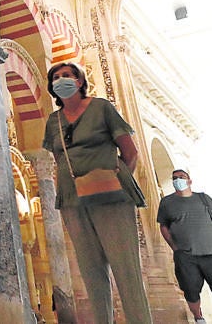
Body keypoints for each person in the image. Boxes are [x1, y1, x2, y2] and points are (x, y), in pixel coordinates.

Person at [40, 62, 152, 324]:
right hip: (72, 199)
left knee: (126, 268)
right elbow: (58, 158)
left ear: (79, 81)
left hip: (110, 196)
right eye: (56, 77)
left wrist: (112, 179)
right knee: (90, 270)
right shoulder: (53, 121)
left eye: (67, 75)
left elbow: (130, 152)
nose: (60, 80)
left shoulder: (101, 107)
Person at [157, 169, 212, 324]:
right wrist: (175, 248)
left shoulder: (204, 199)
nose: (177, 180)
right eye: (174, 178)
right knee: (190, 291)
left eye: (181, 177)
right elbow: (164, 226)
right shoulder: (167, 203)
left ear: (189, 181)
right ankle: (199, 318)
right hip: (186, 256)